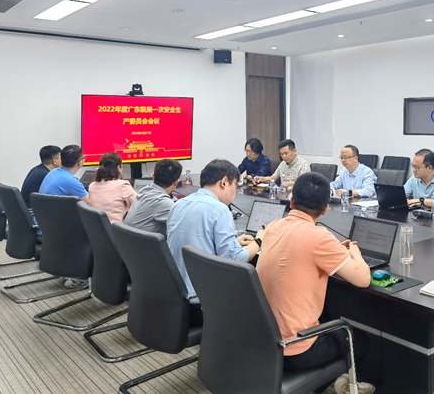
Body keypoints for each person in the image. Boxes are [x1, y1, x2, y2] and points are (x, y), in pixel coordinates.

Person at [256, 172, 375, 394]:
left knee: (327, 314)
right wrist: (355, 254)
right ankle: (333, 384)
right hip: (294, 350)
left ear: (292, 201)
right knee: (359, 342)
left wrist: (335, 251)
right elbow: (363, 279)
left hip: (263, 341)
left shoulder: (274, 226)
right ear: (325, 209)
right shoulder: (319, 237)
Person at [167, 159, 263, 327]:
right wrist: (260, 240)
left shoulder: (178, 204)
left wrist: (235, 242)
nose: (235, 193)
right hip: (201, 306)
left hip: (174, 299)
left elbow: (196, 243)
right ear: (224, 182)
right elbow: (235, 260)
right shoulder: (219, 210)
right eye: (235, 186)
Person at [38, 144, 90, 288]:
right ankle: (79, 277)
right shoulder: (71, 181)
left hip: (47, 225)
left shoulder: (53, 173)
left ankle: (67, 268)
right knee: (97, 231)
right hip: (62, 230)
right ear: (80, 162)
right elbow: (90, 204)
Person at [124, 159, 182, 236]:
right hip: (140, 242)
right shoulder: (163, 202)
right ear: (176, 183)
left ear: (153, 176)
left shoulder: (143, 191)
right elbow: (182, 225)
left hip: (126, 240)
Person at [87, 153, 136, 223]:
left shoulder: (92, 186)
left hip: (96, 227)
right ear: (119, 167)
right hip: (115, 228)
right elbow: (139, 206)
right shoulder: (123, 185)